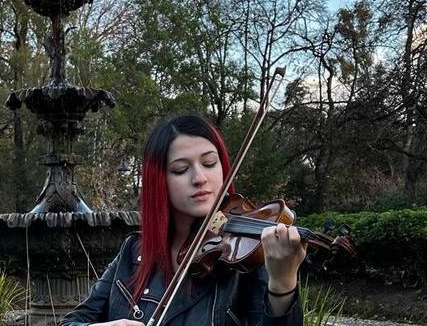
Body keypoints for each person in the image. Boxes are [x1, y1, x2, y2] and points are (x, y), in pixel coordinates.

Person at [60, 114, 306, 326]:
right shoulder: (132, 254)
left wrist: (282, 284)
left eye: (210, 163)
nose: (200, 177)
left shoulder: (247, 260)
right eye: (180, 169)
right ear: (159, 182)